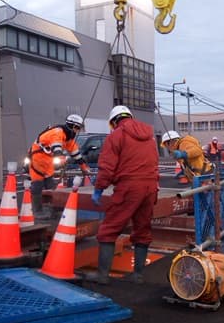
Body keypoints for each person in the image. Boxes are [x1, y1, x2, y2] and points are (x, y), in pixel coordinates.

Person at [88, 105, 159, 285]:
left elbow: (107, 166)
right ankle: (138, 275)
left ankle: (102, 276)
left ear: (114, 121)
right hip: (150, 187)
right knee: (142, 230)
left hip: (129, 187)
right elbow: (154, 162)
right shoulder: (150, 137)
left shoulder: (116, 136)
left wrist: (99, 189)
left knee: (109, 229)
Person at [27, 114, 91, 220]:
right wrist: (60, 158)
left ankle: (51, 209)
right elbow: (56, 147)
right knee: (37, 184)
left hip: (47, 160)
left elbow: (76, 153)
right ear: (73, 126)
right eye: (78, 128)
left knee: (50, 185)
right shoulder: (57, 132)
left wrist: (83, 166)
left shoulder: (68, 138)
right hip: (37, 158)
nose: (78, 130)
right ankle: (37, 211)